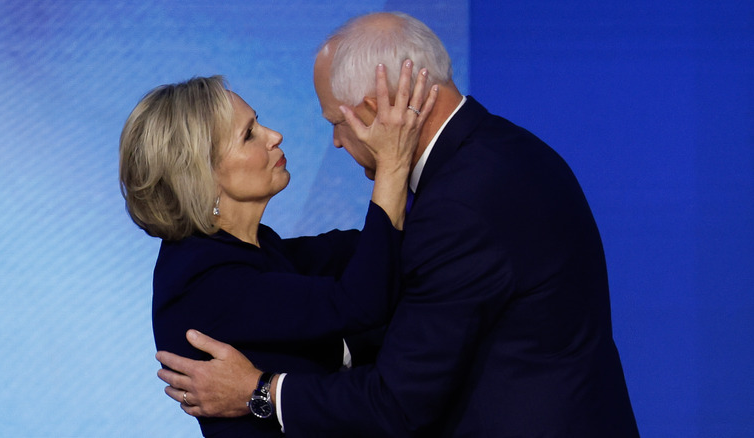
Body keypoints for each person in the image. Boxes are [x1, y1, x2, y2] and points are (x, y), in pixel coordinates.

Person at [156, 12, 640, 437]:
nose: (338, 144)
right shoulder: (500, 155)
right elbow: (367, 271)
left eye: (336, 124)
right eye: (249, 133)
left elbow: (398, 399)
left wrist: (260, 392)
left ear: (377, 108)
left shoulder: (460, 205)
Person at [119, 70, 437, 437]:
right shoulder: (204, 280)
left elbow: (358, 252)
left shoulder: (249, 247)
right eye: (249, 135)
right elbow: (363, 301)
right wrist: (392, 164)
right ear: (201, 175)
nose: (275, 137)